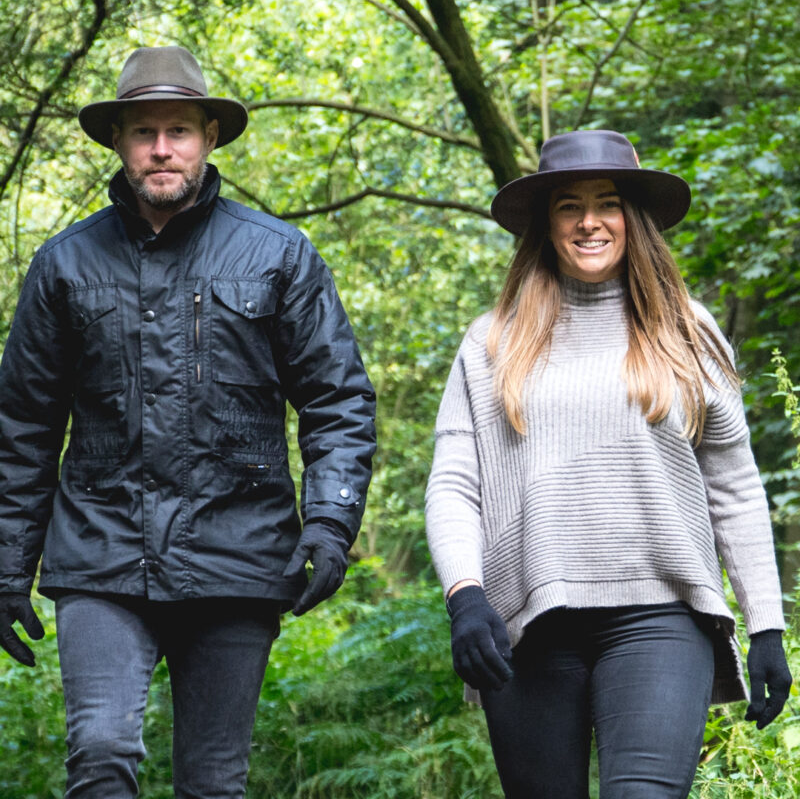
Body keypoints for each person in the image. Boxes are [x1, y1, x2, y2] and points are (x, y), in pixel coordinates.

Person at [0, 46, 376, 798]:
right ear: (118, 142)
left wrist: (331, 521)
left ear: (209, 136)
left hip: (239, 555)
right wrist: (8, 561)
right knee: (100, 752)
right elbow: (23, 427)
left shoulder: (279, 255)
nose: (161, 148)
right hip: (103, 554)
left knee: (212, 781)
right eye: (144, 132)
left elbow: (336, 400)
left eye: (178, 130)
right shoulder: (64, 265)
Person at [425, 129, 792, 798]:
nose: (589, 221)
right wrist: (465, 596)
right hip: (529, 622)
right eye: (569, 205)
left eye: (607, 203)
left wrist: (766, 624)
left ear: (635, 219)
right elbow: (454, 483)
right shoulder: (491, 341)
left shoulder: (689, 332)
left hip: (662, 615)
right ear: (547, 224)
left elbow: (734, 486)